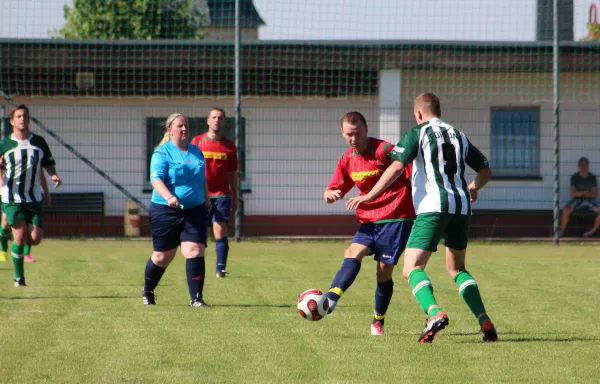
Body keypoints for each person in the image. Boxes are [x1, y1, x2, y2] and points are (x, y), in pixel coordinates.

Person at [347, 93, 497, 343]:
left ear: (418, 113)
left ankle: (434, 313)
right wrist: (473, 188)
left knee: (411, 267)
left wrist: (368, 195)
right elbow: (485, 170)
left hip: (433, 207)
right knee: (457, 268)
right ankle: (485, 321)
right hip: (460, 207)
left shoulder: (418, 133)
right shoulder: (458, 134)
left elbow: (396, 168)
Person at [323, 112, 415, 336]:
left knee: (383, 274)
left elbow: (408, 166)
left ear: (366, 128)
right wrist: (329, 193)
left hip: (396, 217)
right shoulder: (347, 158)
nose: (353, 139)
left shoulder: (384, 150)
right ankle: (331, 299)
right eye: (348, 135)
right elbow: (335, 186)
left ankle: (378, 320)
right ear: (342, 133)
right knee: (353, 252)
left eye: (357, 133)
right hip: (368, 220)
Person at [142, 113, 211, 307]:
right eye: (179, 126)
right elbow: (155, 179)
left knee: (195, 249)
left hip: (195, 210)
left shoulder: (196, 151)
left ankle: (196, 298)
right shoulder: (162, 153)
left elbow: (202, 178)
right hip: (166, 210)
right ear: (169, 130)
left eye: (186, 126)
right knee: (163, 256)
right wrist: (169, 197)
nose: (183, 129)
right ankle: (148, 290)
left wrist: (206, 200)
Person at [0, 104, 61, 286]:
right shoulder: (5, 144)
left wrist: (54, 175)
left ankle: (8, 238)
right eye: (18, 116)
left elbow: (48, 163)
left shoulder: (39, 142)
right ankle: (19, 277)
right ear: (12, 121)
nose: (22, 119)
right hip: (12, 198)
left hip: (34, 197)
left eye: (25, 116)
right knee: (19, 236)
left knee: (35, 239)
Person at [191, 108, 238, 278]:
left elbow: (233, 173)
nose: (217, 120)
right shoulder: (197, 142)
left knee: (220, 228)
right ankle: (197, 266)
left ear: (224, 121)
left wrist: (235, 194)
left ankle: (220, 269)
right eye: (214, 117)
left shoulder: (229, 146)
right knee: (200, 232)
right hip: (200, 194)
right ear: (208, 120)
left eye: (220, 118)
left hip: (222, 195)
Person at [0, 169, 50, 263]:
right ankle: (2, 250)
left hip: (29, 197)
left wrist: (46, 191)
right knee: (5, 223)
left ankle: (26, 254)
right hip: (10, 194)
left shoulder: (35, 155)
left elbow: (40, 172)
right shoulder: (7, 154)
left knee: (27, 226)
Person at [560, 157, 600, 237]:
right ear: (578, 166)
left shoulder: (592, 177)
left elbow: (594, 194)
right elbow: (573, 194)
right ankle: (561, 233)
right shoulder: (574, 177)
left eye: (585, 165)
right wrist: (587, 191)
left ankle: (591, 231)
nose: (583, 167)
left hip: (590, 201)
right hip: (577, 201)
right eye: (581, 165)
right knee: (565, 210)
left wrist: (580, 192)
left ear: (588, 166)